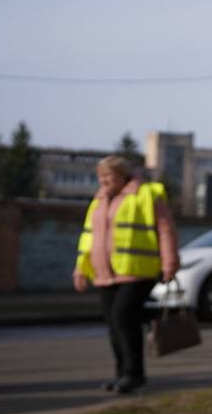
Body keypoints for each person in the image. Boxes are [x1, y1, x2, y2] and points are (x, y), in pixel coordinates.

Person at [72, 155, 178, 395]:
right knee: (113, 323)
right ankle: (121, 373)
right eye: (100, 177)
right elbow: (88, 236)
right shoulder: (99, 200)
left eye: (108, 176)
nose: (103, 181)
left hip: (138, 270)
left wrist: (170, 262)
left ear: (123, 175)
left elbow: (166, 229)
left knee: (123, 317)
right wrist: (81, 268)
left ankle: (134, 373)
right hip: (105, 271)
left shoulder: (147, 193)